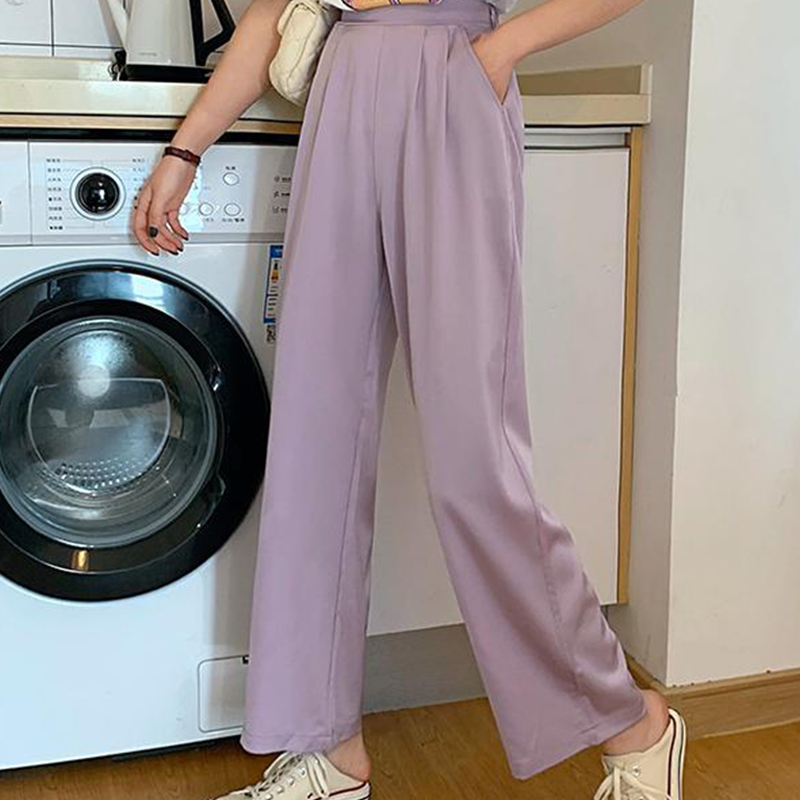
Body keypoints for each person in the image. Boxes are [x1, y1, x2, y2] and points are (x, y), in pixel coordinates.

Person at [133, 0, 687, 798]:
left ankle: (632, 723)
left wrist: (498, 51)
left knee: (474, 459)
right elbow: (271, 11)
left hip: (453, 80)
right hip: (345, 84)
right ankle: (328, 749)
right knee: (313, 444)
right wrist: (185, 149)